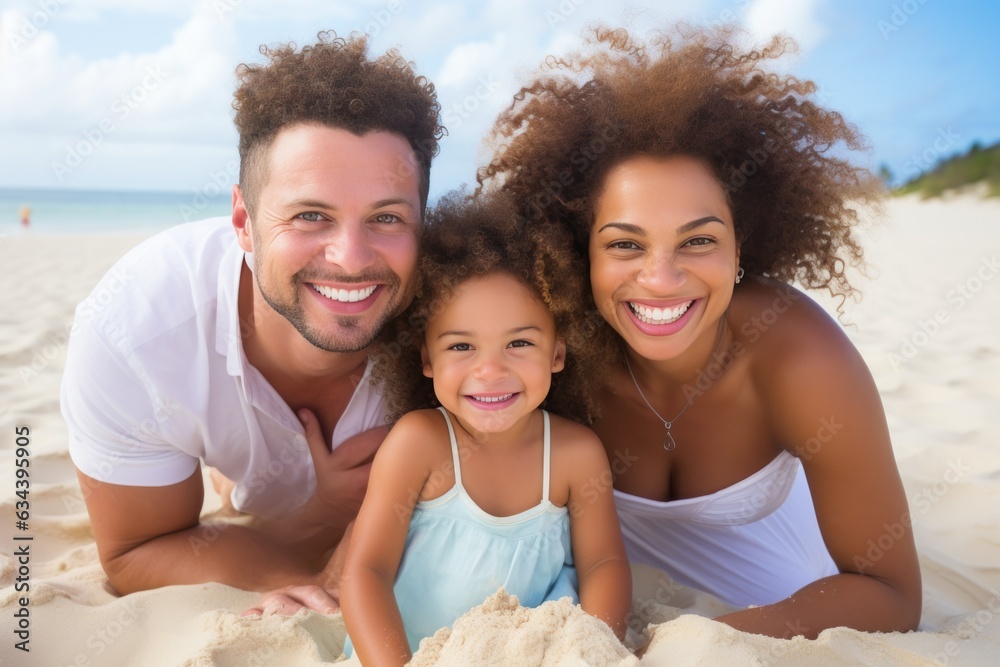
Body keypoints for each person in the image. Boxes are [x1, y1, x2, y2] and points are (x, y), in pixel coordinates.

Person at [479, 25, 921, 638]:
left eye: (699, 240)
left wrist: (697, 641)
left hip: (786, 597)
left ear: (744, 245)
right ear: (583, 254)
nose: (660, 279)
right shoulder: (546, 349)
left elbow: (892, 594)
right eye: (625, 244)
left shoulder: (800, 358)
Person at [60, 32, 443, 596]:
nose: (352, 258)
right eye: (312, 214)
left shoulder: (470, 314)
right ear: (242, 219)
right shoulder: (134, 334)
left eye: (387, 218)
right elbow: (136, 551)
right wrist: (303, 570)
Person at [338, 195, 632, 664]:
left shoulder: (576, 454)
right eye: (461, 346)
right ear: (427, 359)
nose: (490, 371)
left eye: (519, 342)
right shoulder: (420, 443)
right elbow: (365, 572)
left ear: (557, 352)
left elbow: (604, 563)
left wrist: (596, 647)